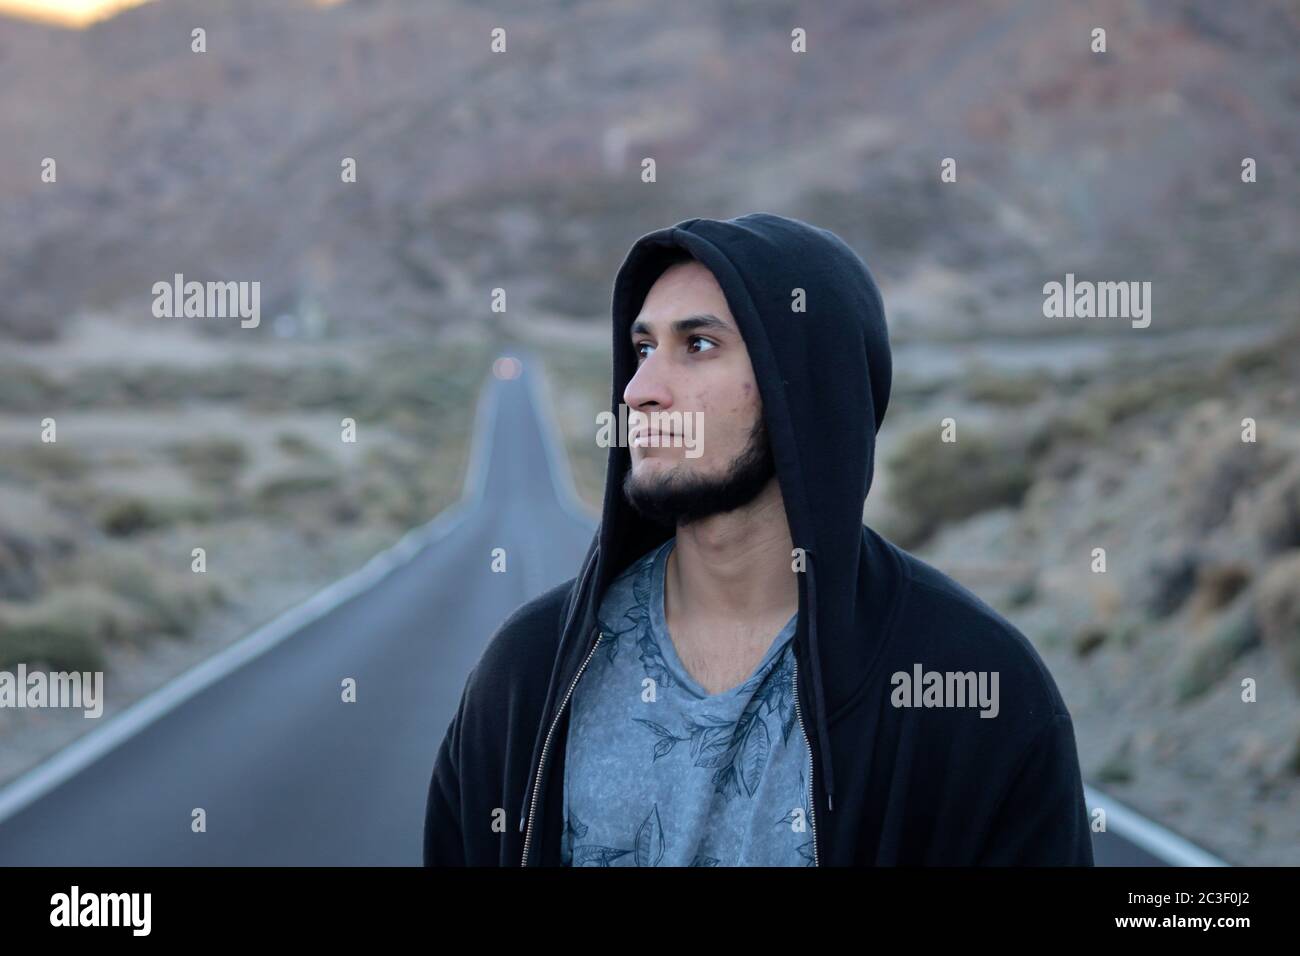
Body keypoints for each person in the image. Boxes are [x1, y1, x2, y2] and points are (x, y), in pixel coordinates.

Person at [424, 212, 1094, 866]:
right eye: (643, 348)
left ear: (802, 385)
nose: (639, 390)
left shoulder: (969, 686)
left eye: (699, 345)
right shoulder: (528, 674)